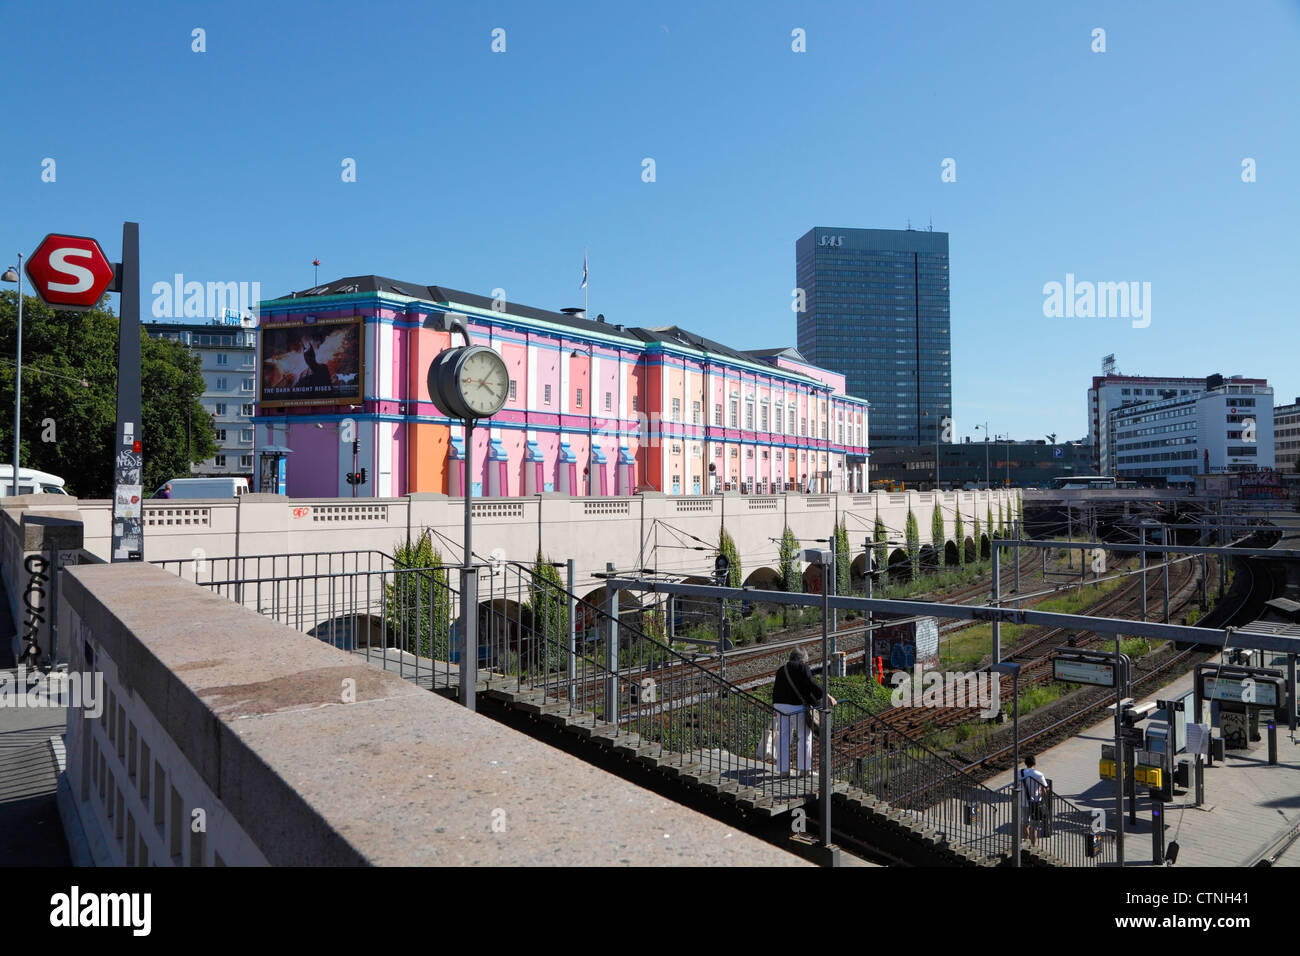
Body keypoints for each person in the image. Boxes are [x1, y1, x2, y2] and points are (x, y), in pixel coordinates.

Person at [771, 648, 837, 777]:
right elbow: (811, 684)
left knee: (784, 737)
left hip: (780, 706)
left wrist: (775, 707)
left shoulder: (781, 670)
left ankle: (783, 771)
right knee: (804, 736)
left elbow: (776, 689)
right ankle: (804, 770)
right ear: (803, 659)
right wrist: (826, 695)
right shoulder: (803, 668)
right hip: (797, 707)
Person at [1018, 754, 1049, 846]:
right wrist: (1044, 798)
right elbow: (1045, 788)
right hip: (1036, 803)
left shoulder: (1020, 773)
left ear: (1025, 763)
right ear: (1034, 763)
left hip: (1024, 802)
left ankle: (1025, 842)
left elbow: (1016, 785)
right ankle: (1033, 845)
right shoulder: (1038, 774)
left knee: (1025, 823)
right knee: (1034, 826)